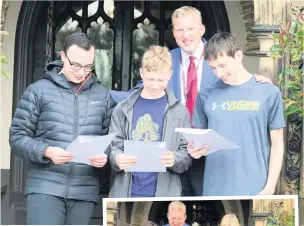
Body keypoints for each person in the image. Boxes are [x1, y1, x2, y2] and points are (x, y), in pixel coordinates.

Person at [112, 6, 272, 197]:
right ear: (173, 33)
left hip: (210, 157)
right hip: (173, 156)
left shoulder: (217, 60)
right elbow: (138, 92)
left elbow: (238, 79)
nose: (185, 35)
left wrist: (258, 82)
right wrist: (97, 93)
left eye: (190, 29)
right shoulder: (166, 61)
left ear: (202, 29)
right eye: (179, 30)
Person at [9, 33, 115, 225]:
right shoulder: (38, 91)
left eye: (88, 66)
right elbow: (17, 137)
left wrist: (104, 155)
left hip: (84, 190)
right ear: (63, 56)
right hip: (45, 187)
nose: (81, 72)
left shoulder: (103, 95)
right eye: (75, 65)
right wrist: (46, 151)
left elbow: (111, 140)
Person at [190, 32, 285, 196]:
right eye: (213, 68)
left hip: (256, 188)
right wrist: (194, 150)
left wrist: (270, 187)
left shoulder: (269, 92)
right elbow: (197, 141)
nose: (219, 73)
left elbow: (277, 144)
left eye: (223, 65)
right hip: (214, 189)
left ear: (239, 55)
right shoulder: (205, 95)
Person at [108, 46, 192, 197]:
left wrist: (175, 159)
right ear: (141, 73)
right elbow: (114, 148)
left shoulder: (180, 112)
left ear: (170, 75)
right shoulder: (122, 109)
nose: (155, 85)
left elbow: (186, 154)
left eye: (161, 80)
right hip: (126, 192)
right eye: (150, 79)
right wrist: (117, 159)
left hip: (165, 195)